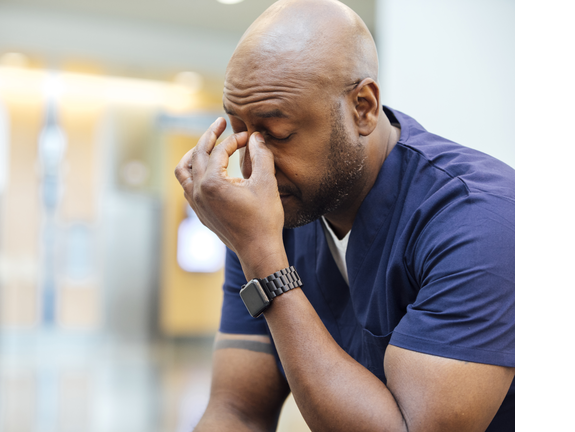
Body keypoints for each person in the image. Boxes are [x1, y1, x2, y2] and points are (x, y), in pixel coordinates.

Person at [174, 0, 515, 430]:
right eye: (241, 132)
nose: (251, 166)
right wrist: (257, 247)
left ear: (363, 108)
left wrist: (265, 261)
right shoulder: (269, 213)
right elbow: (238, 410)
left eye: (277, 134)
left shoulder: (481, 220)